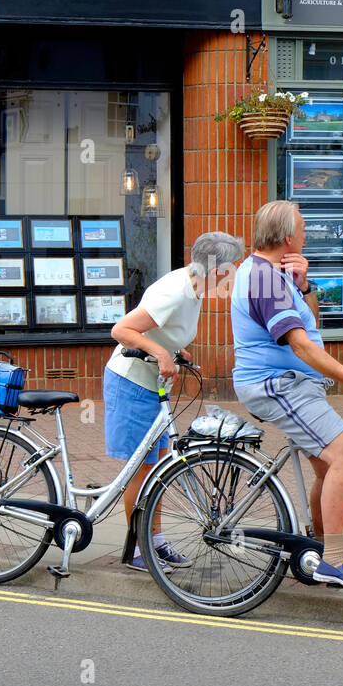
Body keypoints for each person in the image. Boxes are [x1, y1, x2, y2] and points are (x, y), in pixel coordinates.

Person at [230, 200, 343, 591]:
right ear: (287, 238)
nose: (305, 236)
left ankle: (320, 550)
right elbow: (301, 346)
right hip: (277, 383)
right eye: (301, 230)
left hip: (293, 382)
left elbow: (311, 325)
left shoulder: (277, 275)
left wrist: (305, 285)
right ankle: (335, 560)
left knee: (328, 465)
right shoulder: (263, 279)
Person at [105, 231, 247, 571]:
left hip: (152, 386)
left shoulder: (194, 288)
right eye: (233, 266)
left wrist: (173, 350)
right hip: (131, 383)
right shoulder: (175, 291)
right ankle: (139, 550)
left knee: (157, 468)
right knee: (140, 471)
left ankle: (154, 542)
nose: (236, 272)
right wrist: (159, 352)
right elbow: (122, 330)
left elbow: (159, 329)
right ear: (216, 269)